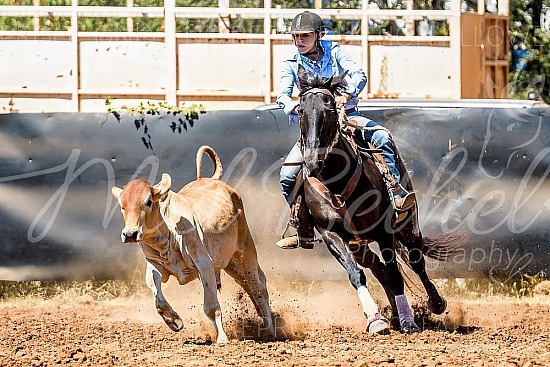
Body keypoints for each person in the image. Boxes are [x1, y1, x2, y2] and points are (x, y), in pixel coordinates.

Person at [276, 11, 415, 249]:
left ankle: (396, 195)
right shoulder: (291, 63)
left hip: (347, 118)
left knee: (382, 136)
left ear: (319, 35)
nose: (299, 41)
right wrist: (298, 108)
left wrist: (346, 95)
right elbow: (282, 95)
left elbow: (359, 75)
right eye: (296, 36)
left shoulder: (336, 52)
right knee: (287, 177)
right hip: (315, 131)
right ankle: (303, 225)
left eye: (305, 36)